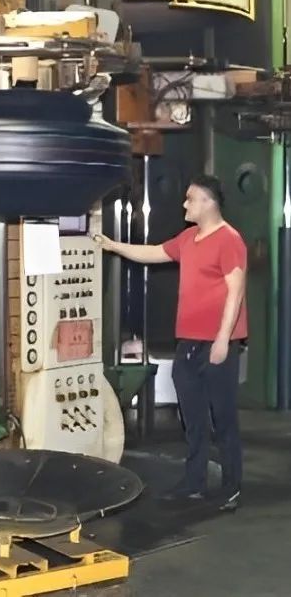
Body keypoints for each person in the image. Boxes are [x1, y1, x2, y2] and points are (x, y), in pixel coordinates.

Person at [94, 174, 247, 511]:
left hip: (216, 345)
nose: (184, 204)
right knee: (193, 420)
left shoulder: (229, 240)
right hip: (188, 344)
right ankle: (194, 483)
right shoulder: (189, 238)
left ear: (207, 202)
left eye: (190, 198)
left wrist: (223, 340)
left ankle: (231, 488)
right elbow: (154, 253)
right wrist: (113, 245)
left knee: (223, 420)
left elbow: (235, 291)